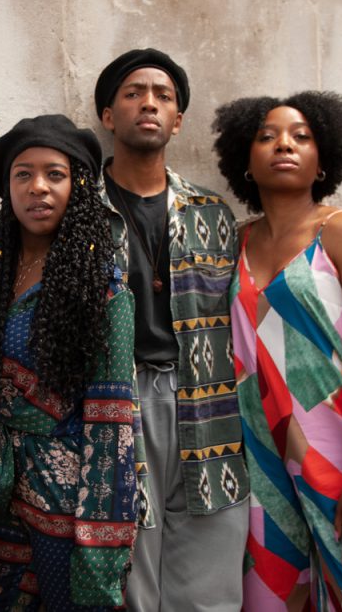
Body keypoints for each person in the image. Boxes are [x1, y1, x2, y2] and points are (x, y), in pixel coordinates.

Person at [213, 91, 342, 610]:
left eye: (302, 136)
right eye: (267, 136)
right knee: (272, 601)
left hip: (339, 456)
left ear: (324, 159)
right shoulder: (231, 242)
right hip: (258, 463)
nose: (285, 144)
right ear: (246, 160)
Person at [0, 114, 138, 610]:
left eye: (55, 174)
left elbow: (111, 425)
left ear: (77, 187)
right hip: (1, 492)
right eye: (23, 174)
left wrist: (99, 543)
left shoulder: (104, 289)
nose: (38, 187)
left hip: (69, 505)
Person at [95, 48, 249, 611]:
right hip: (116, 400)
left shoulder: (212, 213)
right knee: (125, 566)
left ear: (178, 119)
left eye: (163, 96)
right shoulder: (79, 209)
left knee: (209, 567)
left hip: (207, 401)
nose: (149, 104)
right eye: (134, 93)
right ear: (109, 116)